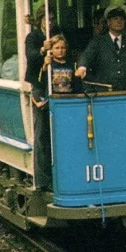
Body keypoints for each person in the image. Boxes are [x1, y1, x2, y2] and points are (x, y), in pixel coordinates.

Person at [31, 35, 81, 189]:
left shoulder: (72, 65)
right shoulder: (47, 65)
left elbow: (77, 85)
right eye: (57, 48)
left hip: (67, 106)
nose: (60, 51)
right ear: (51, 50)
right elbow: (38, 84)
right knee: (45, 140)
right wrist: (45, 67)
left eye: (63, 48)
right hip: (48, 106)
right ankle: (45, 180)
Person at [24, 10, 55, 87]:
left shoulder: (56, 33)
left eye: (52, 19)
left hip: (54, 76)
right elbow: (30, 55)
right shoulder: (32, 36)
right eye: (46, 19)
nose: (50, 22)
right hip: (37, 78)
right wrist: (43, 49)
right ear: (40, 20)